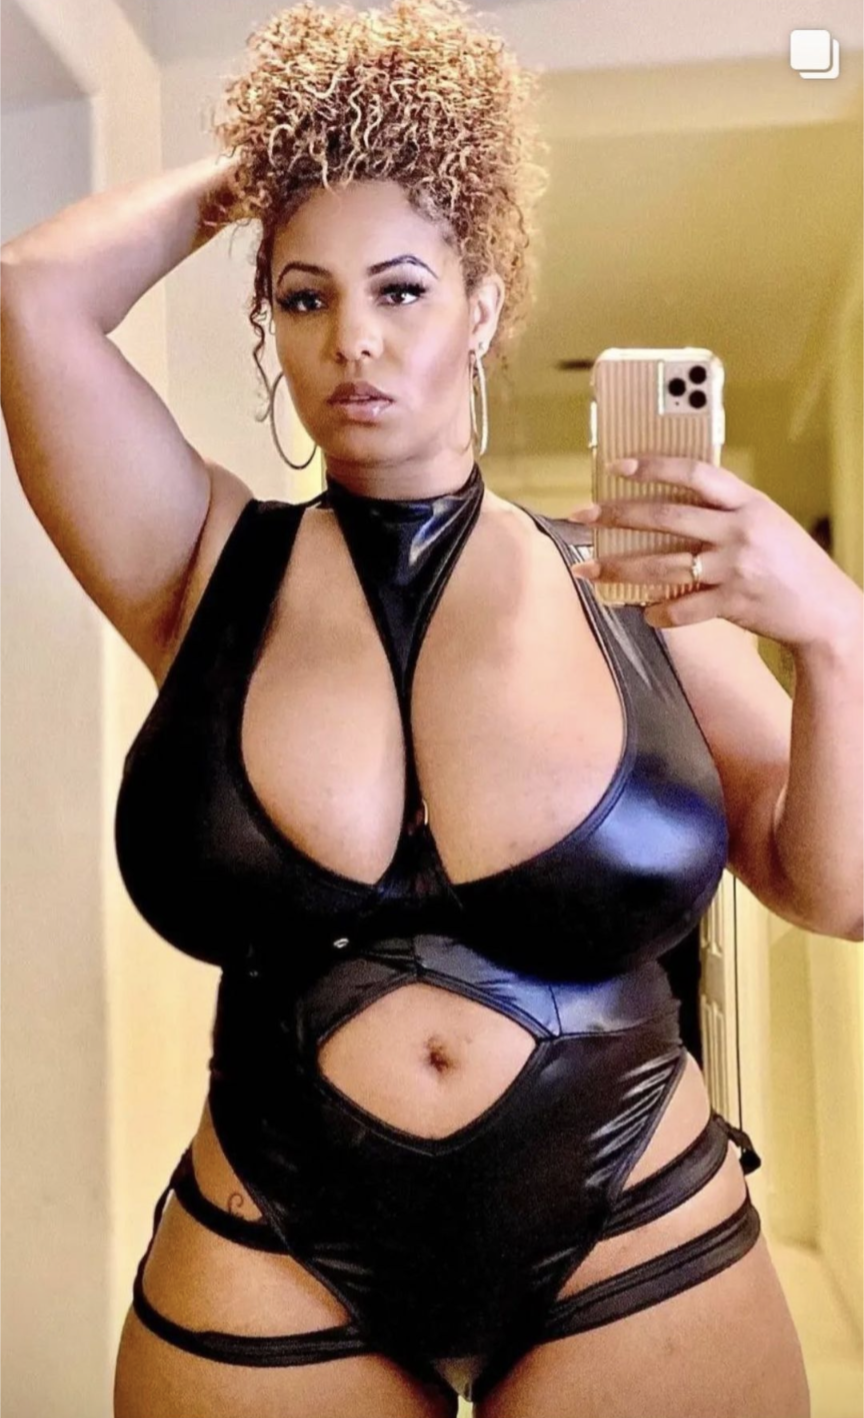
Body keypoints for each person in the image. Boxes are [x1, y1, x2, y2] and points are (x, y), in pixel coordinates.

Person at [0, 1, 811, 1414]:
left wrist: (834, 628)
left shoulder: (630, 578)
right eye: (304, 297)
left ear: (482, 305)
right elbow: (32, 294)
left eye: (401, 289)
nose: (353, 342)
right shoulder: (201, 568)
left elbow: (832, 884)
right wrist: (282, 156)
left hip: (633, 1233)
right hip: (272, 1250)